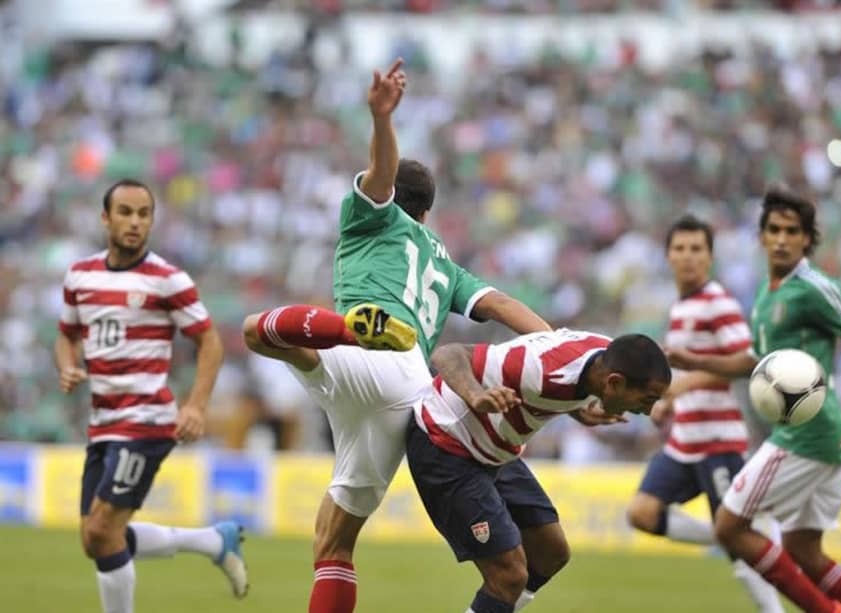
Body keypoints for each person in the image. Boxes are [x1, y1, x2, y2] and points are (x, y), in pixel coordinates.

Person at [242, 59, 552, 613]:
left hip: (370, 353)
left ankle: (347, 329)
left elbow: (379, 179)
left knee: (257, 332)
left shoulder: (375, 219)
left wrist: (382, 119)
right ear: (428, 212)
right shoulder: (448, 265)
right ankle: (348, 334)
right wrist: (557, 348)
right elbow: (502, 305)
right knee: (334, 542)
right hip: (408, 394)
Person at [668, 189, 841, 613]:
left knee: (730, 527)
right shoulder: (770, 292)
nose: (782, 239)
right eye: (774, 230)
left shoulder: (813, 288)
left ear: (807, 239)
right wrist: (691, 359)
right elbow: (754, 361)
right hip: (816, 434)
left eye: (793, 231)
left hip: (806, 434)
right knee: (803, 549)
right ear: (762, 236)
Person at [54, 179, 248, 613]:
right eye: (125, 212)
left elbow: (210, 342)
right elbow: (65, 335)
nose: (135, 222)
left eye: (144, 214)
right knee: (95, 538)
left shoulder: (168, 280)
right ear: (106, 217)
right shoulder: (80, 275)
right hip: (103, 422)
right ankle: (213, 541)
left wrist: (196, 404)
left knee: (104, 531)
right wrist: (67, 365)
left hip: (147, 420)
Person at [407, 330, 672, 613]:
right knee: (508, 575)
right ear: (615, 383)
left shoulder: (605, 361)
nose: (647, 411)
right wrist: (476, 395)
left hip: (496, 449)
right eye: (646, 400)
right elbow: (447, 354)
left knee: (550, 553)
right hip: (447, 443)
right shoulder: (536, 368)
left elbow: (568, 382)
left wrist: (577, 410)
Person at [626, 215, 783, 612]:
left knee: (740, 551)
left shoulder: (717, 302)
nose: (688, 257)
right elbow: (697, 370)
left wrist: (678, 386)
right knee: (642, 512)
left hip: (718, 442)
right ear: (667, 256)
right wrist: (669, 402)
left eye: (697, 249)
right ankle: (724, 535)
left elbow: (745, 361)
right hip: (685, 442)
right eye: (680, 249)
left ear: (710, 257)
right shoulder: (683, 307)